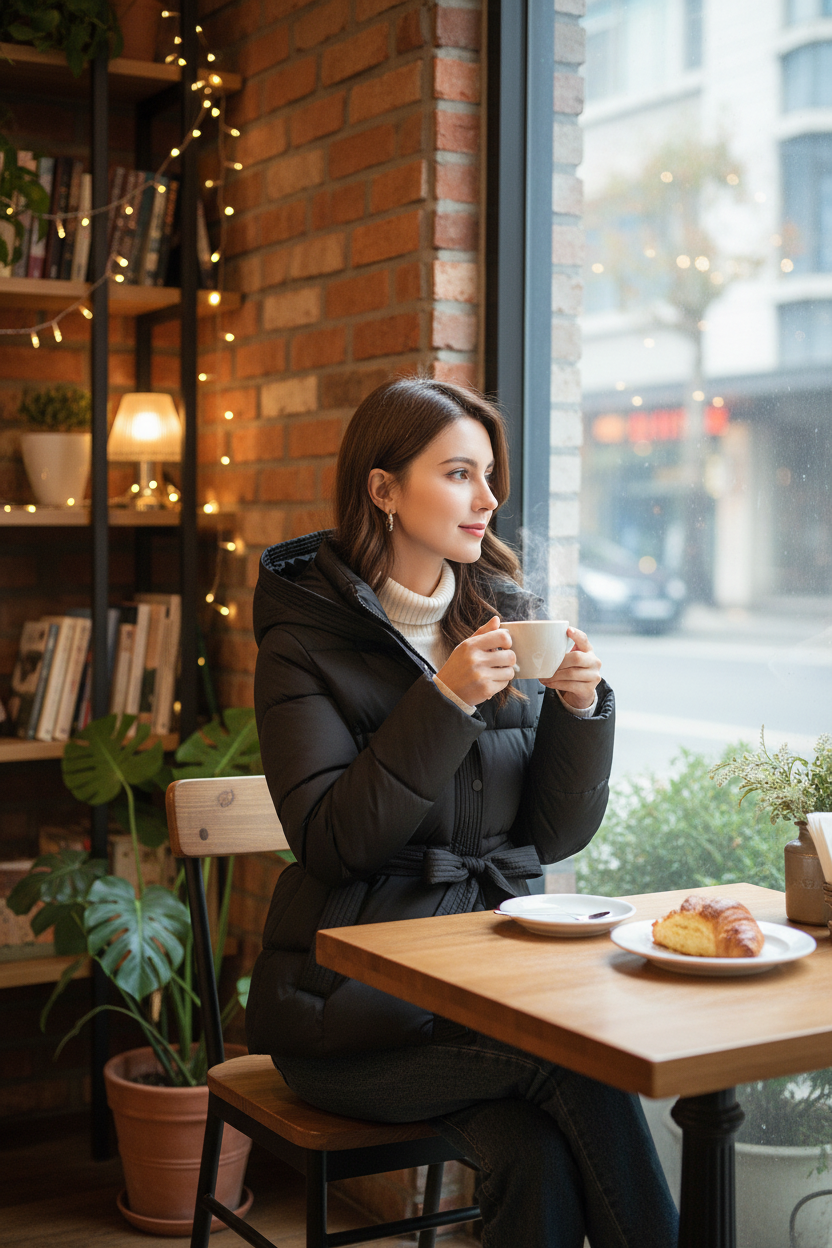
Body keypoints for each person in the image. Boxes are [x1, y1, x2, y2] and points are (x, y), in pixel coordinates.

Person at [246, 377, 678, 1248]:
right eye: (457, 474)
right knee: (581, 1062)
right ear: (384, 489)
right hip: (349, 1018)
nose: (487, 500)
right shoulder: (303, 644)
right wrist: (442, 704)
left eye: (490, 476)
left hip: (488, 991)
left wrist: (581, 711)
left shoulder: (502, 618)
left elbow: (553, 837)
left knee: (538, 1156)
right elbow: (335, 843)